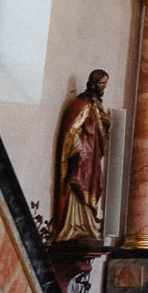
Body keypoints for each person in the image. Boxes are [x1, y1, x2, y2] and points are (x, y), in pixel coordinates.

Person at [52, 70, 111, 244]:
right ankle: (74, 225)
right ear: (93, 83)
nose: (103, 87)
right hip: (82, 153)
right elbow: (73, 128)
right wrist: (76, 145)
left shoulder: (97, 104)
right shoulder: (81, 103)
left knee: (94, 184)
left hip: (93, 155)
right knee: (78, 182)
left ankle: (87, 225)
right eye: (101, 83)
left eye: (105, 84)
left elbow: (102, 129)